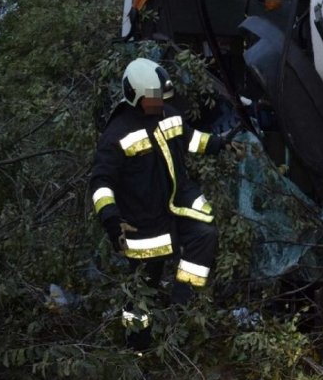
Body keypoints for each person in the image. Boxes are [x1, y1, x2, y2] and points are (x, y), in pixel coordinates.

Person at [90, 58, 236, 350]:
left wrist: (221, 144)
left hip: (178, 206)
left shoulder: (169, 114)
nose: (158, 104)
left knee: (205, 235)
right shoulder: (116, 134)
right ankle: (137, 352)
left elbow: (191, 139)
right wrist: (110, 217)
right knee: (142, 291)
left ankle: (181, 310)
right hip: (143, 223)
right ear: (135, 97)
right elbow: (100, 183)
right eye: (152, 100)